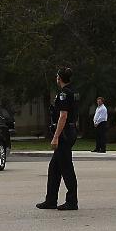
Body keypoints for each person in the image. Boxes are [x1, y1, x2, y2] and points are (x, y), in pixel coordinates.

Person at [37, 67, 78, 211]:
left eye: (57, 76)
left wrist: (56, 137)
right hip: (68, 131)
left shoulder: (64, 94)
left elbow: (63, 116)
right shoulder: (72, 92)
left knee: (66, 168)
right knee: (54, 168)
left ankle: (72, 201)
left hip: (64, 133)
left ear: (59, 78)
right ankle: (51, 200)